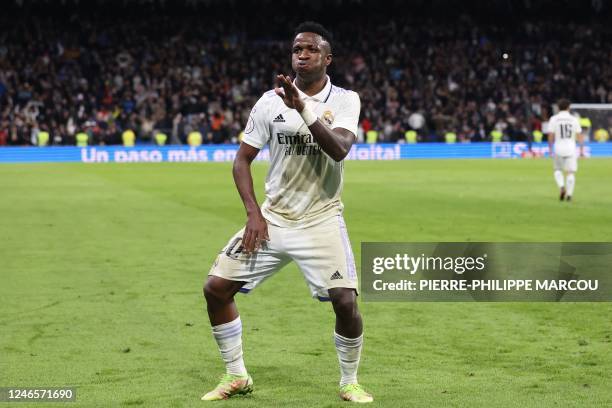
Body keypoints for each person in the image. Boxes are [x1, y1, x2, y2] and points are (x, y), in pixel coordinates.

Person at [201, 21, 372, 403]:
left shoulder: (345, 99)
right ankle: (236, 375)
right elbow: (241, 161)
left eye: (311, 49)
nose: (303, 55)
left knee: (345, 301)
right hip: (273, 220)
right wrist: (253, 214)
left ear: (327, 58)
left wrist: (305, 109)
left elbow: (340, 149)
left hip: (321, 219)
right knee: (216, 288)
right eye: (297, 49)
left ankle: (349, 381)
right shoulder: (268, 101)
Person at [547, 99, 583, 201]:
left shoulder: (554, 119)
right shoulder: (574, 119)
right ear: (569, 107)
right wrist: (581, 149)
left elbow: (550, 135)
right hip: (571, 148)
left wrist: (550, 148)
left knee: (557, 170)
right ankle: (569, 195)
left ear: (558, 108)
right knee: (570, 172)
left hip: (558, 147)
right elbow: (579, 135)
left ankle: (562, 187)